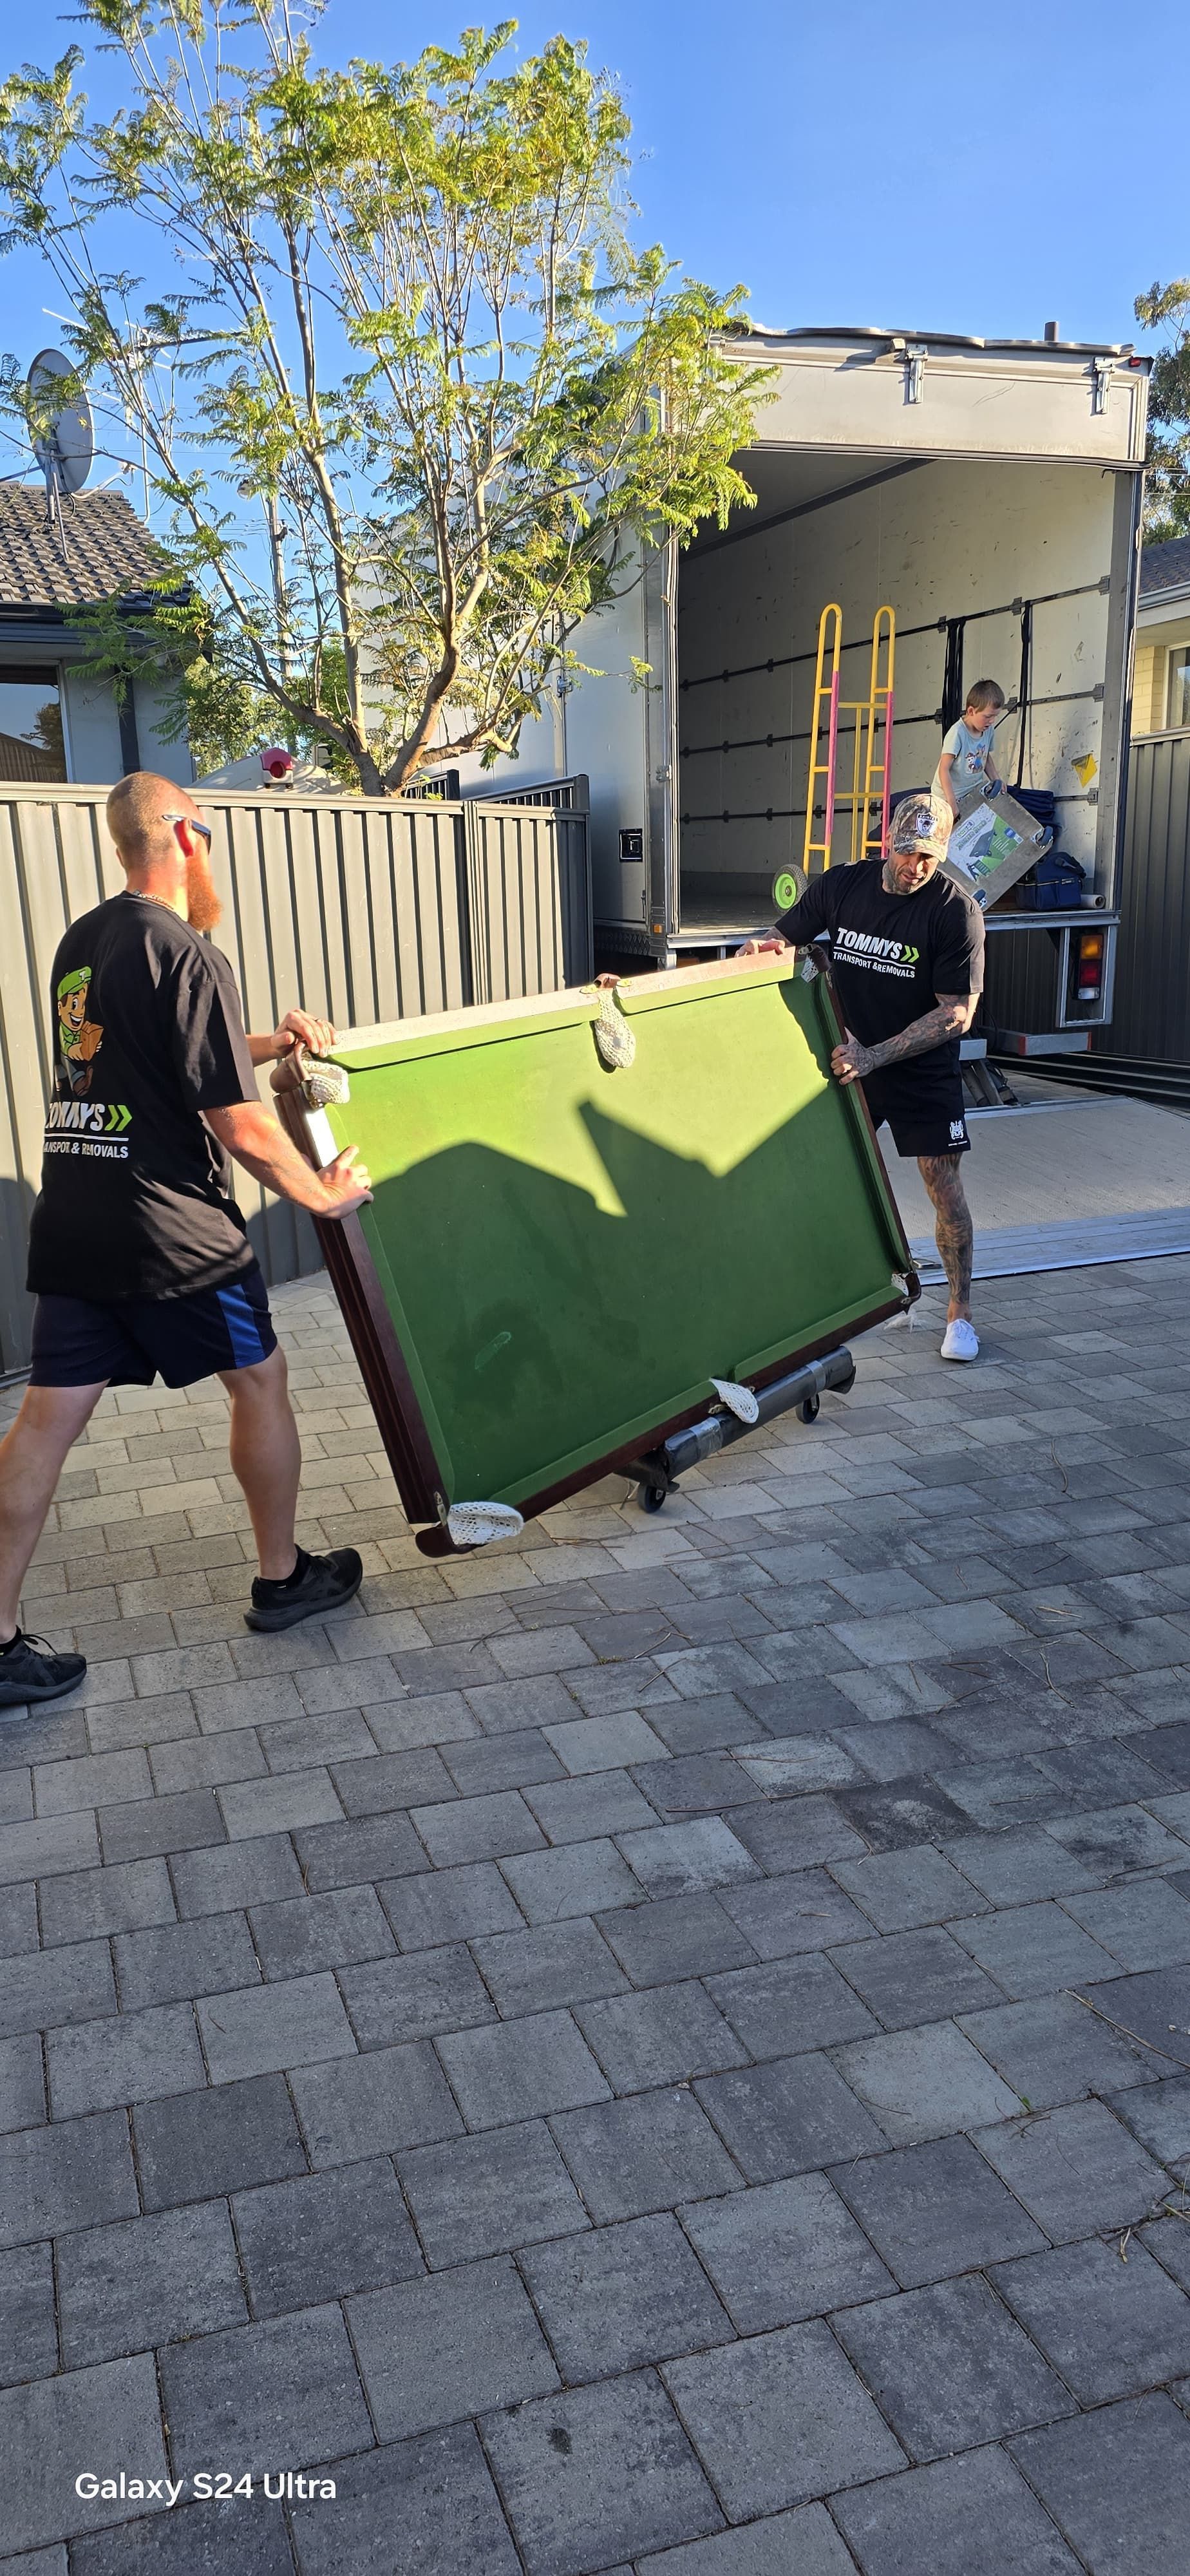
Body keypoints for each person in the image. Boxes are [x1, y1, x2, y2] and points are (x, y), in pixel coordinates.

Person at [0, 772, 375, 1710]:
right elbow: (237, 1124)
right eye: (207, 831)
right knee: (261, 1381)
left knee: (41, 1425)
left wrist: (270, 1043)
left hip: (76, 1222)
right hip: (176, 1234)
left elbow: (153, 1053)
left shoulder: (83, 942)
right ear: (182, 836)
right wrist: (321, 1195)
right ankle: (283, 1579)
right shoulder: (189, 951)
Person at [744, 794, 984, 1365]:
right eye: (908, 853)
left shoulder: (955, 911)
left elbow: (957, 1013)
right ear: (887, 842)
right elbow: (784, 937)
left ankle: (960, 1314)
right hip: (851, 1059)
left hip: (919, 1066)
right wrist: (762, 950)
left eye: (929, 857)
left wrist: (877, 1056)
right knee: (822, 1174)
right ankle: (825, 1294)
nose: (916, 867)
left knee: (943, 1185)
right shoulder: (842, 886)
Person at [932, 677, 1005, 818]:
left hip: (972, 792)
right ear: (971, 711)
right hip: (947, 797)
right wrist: (951, 802)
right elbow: (944, 769)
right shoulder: (957, 733)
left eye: (995, 716)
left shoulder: (988, 730)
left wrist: (996, 779)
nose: (992, 721)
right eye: (988, 716)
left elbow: (985, 758)